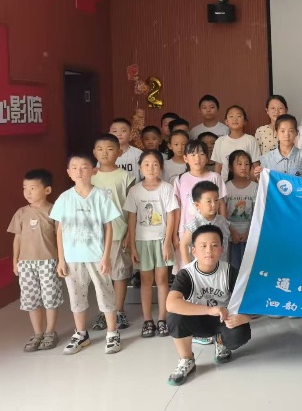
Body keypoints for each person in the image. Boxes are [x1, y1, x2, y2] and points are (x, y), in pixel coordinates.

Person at [51, 153, 122, 354]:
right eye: (74, 167)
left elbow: (109, 227)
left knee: (105, 294)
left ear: (94, 170)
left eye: (84, 167)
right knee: (76, 296)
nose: (79, 171)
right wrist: (61, 259)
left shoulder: (101, 196)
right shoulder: (64, 198)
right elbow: (59, 230)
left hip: (97, 256)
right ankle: (81, 334)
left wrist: (106, 256)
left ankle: (112, 333)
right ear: (68, 172)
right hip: (72, 258)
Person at [166, 225, 251, 386]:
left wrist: (244, 317)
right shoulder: (186, 274)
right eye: (203, 246)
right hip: (197, 318)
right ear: (194, 251)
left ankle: (221, 341)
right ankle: (186, 359)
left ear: (222, 249)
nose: (208, 251)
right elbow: (171, 303)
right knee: (174, 318)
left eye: (214, 245)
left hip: (223, 319)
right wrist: (209, 310)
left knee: (240, 332)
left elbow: (249, 301)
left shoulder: (229, 271)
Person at [8, 169, 63, 352]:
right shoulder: (21, 212)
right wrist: (15, 261)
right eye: (25, 188)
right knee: (31, 299)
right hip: (26, 264)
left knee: (50, 297)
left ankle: (50, 332)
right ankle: (37, 333)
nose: (28, 192)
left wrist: (61, 261)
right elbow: (17, 238)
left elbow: (60, 238)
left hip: (48, 261)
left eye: (33, 188)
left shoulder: (54, 211)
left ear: (47, 190)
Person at [125, 150, 178, 338]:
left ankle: (162, 319)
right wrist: (132, 245)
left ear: (161, 167)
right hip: (142, 241)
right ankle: (148, 320)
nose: (151, 168)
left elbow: (171, 217)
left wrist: (167, 242)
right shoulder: (135, 191)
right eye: (146, 164)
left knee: (162, 280)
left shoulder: (167, 188)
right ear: (140, 168)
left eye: (155, 164)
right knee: (146, 281)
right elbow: (132, 219)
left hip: (161, 240)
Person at [91, 134, 135, 332]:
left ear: (119, 152)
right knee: (101, 276)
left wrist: (129, 233)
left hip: (119, 232)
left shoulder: (126, 177)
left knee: (119, 273)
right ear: (94, 153)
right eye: (100, 149)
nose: (105, 153)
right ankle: (104, 311)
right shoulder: (90, 176)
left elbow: (131, 209)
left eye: (110, 149)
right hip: (95, 235)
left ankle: (118, 310)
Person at [173, 140, 228, 275]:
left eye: (202, 154)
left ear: (208, 158)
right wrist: (175, 233)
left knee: (212, 264)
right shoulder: (180, 179)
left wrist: (223, 225)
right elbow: (178, 208)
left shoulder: (215, 177)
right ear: (185, 158)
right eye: (192, 155)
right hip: (187, 229)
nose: (197, 158)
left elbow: (221, 203)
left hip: (212, 229)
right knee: (189, 266)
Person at [180, 181, 232, 266]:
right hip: (200, 269)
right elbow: (183, 245)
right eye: (208, 201)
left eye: (216, 200)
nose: (213, 204)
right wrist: (189, 268)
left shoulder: (223, 222)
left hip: (221, 267)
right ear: (197, 205)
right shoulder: (194, 225)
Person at [225, 150, 257, 268]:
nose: (243, 167)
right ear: (230, 167)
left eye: (247, 164)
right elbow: (222, 213)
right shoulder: (226, 187)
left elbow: (257, 213)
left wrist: (249, 232)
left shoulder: (255, 187)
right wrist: (232, 231)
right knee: (232, 267)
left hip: (250, 234)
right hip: (230, 235)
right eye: (239, 164)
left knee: (248, 267)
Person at [211, 105, 261, 180]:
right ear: (226, 122)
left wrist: (253, 183)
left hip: (246, 182)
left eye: (239, 116)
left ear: (245, 121)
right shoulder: (220, 141)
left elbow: (255, 166)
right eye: (231, 116)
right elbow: (218, 166)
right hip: (225, 183)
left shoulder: (251, 140)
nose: (235, 119)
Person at [109, 118, 142, 183]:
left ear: (131, 134)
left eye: (123, 131)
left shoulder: (138, 154)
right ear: (110, 134)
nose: (119, 134)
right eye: (115, 131)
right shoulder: (105, 154)